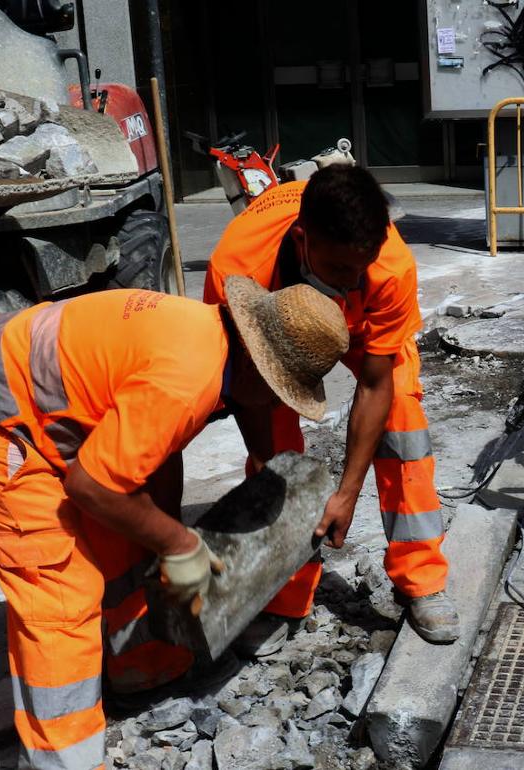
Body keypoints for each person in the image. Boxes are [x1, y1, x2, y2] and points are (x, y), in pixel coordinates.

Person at [0, 281, 349, 769]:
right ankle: (66, 759)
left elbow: (157, 462)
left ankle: (138, 667)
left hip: (29, 399)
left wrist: (170, 531)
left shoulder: (207, 338)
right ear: (257, 364)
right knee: (59, 593)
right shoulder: (188, 379)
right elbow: (91, 488)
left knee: (127, 537)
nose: (274, 403)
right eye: (278, 390)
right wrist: (181, 543)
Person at [204, 165, 460, 649]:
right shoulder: (238, 267)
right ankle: (286, 593)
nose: (354, 278)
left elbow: (375, 381)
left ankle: (421, 576)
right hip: (275, 320)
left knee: (402, 414)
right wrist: (268, 470)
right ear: (303, 240)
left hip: (362, 329)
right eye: (342, 270)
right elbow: (247, 388)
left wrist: (346, 492)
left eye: (361, 267)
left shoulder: (387, 268)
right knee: (276, 449)